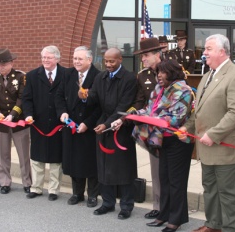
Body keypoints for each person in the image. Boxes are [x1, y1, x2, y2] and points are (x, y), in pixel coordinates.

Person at [180, 34, 235, 232]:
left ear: (222, 51)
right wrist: (188, 127)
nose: (204, 53)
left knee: (227, 193)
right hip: (206, 148)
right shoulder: (206, 76)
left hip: (224, 148)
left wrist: (213, 134)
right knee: (210, 189)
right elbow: (199, 110)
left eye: (208, 49)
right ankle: (212, 225)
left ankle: (228, 228)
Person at [129, 59, 194, 232]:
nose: (158, 76)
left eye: (162, 72)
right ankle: (163, 215)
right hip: (161, 140)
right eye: (158, 72)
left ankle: (176, 219)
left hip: (178, 141)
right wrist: (135, 114)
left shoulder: (184, 91)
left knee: (176, 181)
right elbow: (149, 109)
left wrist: (151, 119)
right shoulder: (159, 89)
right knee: (164, 179)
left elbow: (176, 118)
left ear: (172, 73)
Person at [78, 47, 137, 220]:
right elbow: (94, 99)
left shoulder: (129, 79)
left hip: (121, 126)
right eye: (106, 61)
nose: (108, 64)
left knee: (123, 168)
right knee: (104, 167)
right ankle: (107, 203)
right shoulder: (100, 77)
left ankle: (126, 206)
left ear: (120, 60)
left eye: (112, 61)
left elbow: (123, 107)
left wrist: (106, 124)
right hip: (103, 125)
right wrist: (84, 97)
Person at [55, 46, 101, 207]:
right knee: (74, 160)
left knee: (90, 162)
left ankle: (93, 195)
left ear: (89, 60)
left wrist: (87, 124)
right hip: (71, 126)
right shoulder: (68, 74)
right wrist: (62, 112)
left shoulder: (98, 76)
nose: (76, 62)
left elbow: (100, 106)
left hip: (89, 126)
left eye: (80, 59)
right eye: (75, 58)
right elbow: (59, 96)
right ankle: (77, 193)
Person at [22, 45, 66, 201]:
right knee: (37, 157)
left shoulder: (66, 74)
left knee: (56, 158)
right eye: (43, 57)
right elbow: (26, 99)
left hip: (57, 124)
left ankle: (53, 190)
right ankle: (36, 188)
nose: (45, 60)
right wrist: (28, 115)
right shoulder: (33, 75)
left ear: (57, 59)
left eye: (49, 57)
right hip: (38, 123)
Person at [0, 48, 32, 194]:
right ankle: (5, 182)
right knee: (2, 155)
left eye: (4, 64)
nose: (1, 67)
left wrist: (13, 114)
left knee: (23, 155)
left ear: (12, 63)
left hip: (18, 123)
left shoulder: (20, 77)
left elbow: (21, 98)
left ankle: (27, 182)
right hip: (1, 124)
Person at [132, 37, 164, 219]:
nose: (143, 59)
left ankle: (170, 207)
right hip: (152, 131)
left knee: (169, 172)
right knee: (156, 169)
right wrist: (133, 113)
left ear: (157, 55)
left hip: (169, 130)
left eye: (146, 55)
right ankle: (158, 205)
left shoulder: (172, 70)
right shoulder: (142, 75)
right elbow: (139, 100)